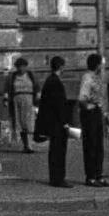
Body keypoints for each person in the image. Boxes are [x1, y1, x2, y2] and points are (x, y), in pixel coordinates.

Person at [36, 55, 72, 187]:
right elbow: (58, 105)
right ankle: (58, 178)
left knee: (55, 151)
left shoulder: (50, 80)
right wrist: (65, 122)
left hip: (52, 123)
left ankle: (55, 178)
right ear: (61, 66)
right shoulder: (55, 82)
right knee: (58, 152)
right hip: (57, 124)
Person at [77, 53, 109, 187]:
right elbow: (82, 98)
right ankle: (90, 177)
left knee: (98, 146)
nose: (101, 66)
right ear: (97, 65)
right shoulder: (87, 78)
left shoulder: (96, 78)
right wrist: (89, 108)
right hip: (90, 113)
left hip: (97, 112)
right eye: (100, 64)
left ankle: (99, 175)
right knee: (91, 145)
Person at [6, 56, 37, 153]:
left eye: (23, 66)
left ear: (26, 66)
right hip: (17, 100)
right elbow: (7, 89)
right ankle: (25, 145)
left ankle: (30, 145)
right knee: (20, 122)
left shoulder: (30, 75)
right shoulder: (13, 77)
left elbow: (37, 87)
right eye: (19, 66)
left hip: (29, 99)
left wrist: (37, 98)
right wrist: (6, 100)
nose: (21, 68)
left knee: (29, 122)